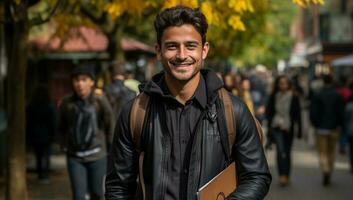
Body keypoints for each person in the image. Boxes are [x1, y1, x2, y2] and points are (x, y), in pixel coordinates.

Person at [105, 6, 271, 200]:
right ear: (158, 51)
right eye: (172, 46)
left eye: (191, 46)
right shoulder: (135, 113)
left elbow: (257, 176)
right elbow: (118, 187)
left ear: (204, 50)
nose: (182, 55)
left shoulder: (233, 110)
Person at [58, 65, 114, 200]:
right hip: (75, 157)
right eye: (76, 80)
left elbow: (110, 124)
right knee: (78, 196)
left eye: (84, 80)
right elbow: (61, 127)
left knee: (97, 193)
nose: (80, 84)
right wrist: (63, 145)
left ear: (91, 82)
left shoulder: (100, 100)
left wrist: (110, 148)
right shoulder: (67, 103)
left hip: (97, 156)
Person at [266, 75, 301, 187]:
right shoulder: (273, 96)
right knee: (280, 151)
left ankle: (287, 174)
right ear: (277, 84)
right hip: (277, 127)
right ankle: (282, 176)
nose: (283, 85)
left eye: (285, 83)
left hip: (289, 128)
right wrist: (270, 125)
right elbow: (269, 112)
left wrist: (300, 130)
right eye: (281, 83)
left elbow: (297, 115)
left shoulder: (294, 97)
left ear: (289, 84)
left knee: (287, 151)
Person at [310, 74, 344, 186]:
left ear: (323, 82)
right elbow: (341, 112)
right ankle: (329, 170)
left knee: (322, 152)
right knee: (331, 151)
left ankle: (325, 169)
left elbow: (313, 112)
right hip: (334, 127)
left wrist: (315, 124)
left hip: (321, 128)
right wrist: (340, 125)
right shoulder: (337, 95)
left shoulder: (318, 94)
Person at [26, 85, 56, 184]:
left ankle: (40, 174)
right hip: (46, 134)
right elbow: (52, 122)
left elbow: (28, 122)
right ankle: (45, 175)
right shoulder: (49, 106)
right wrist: (53, 134)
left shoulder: (31, 106)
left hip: (35, 134)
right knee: (46, 156)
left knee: (38, 156)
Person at [344, 82, 353, 173]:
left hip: (350, 131)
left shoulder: (349, 106)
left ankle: (352, 164)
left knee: (351, 149)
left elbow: (345, 118)